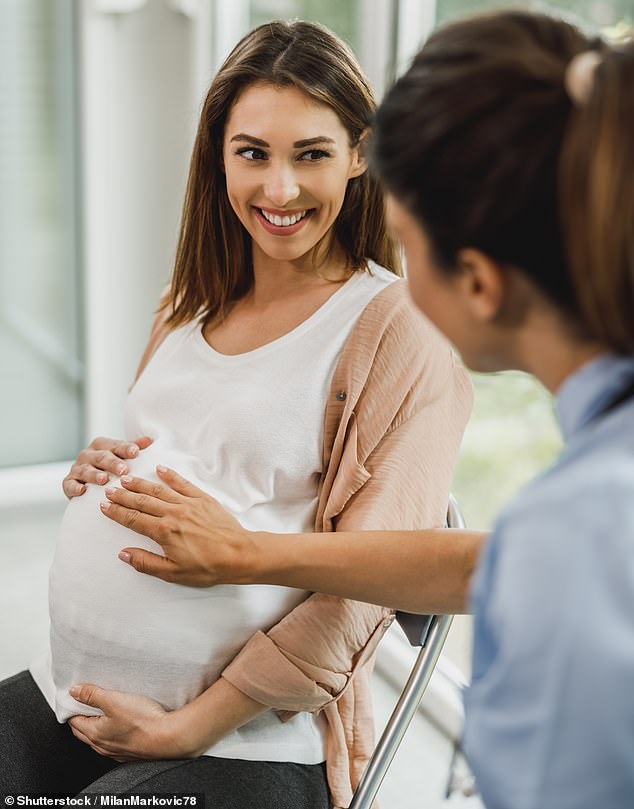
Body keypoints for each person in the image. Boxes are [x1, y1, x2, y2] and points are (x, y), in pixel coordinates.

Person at [92, 9, 634, 809]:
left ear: (477, 282)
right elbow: (481, 561)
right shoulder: (563, 525)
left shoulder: (574, 534)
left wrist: (242, 571)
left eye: (409, 246)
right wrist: (235, 548)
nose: (392, 276)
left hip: (262, 739)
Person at [0, 20, 472, 809]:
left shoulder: (399, 329)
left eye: (311, 154)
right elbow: (188, 454)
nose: (278, 189)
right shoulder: (186, 304)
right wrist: (106, 472)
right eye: (252, 152)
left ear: (361, 154)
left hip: (250, 745)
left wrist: (187, 728)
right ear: (218, 154)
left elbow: (362, 590)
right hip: (76, 702)